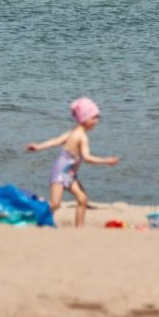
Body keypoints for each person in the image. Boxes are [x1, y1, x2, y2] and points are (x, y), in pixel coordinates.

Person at [25, 97, 119, 228]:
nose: (97, 121)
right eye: (94, 117)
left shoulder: (73, 132)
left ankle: (79, 228)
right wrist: (106, 160)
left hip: (69, 173)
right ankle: (33, 220)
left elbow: (56, 140)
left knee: (82, 198)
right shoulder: (81, 137)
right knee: (55, 204)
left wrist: (38, 147)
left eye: (97, 117)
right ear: (85, 119)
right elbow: (87, 158)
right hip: (60, 173)